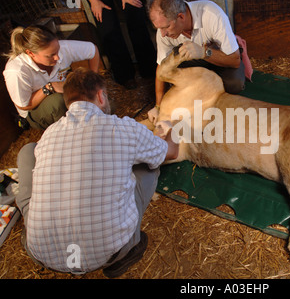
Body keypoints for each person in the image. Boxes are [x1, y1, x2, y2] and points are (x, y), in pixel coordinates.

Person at [15, 67, 178, 277]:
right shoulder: (124, 129)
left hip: (42, 253)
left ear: (68, 103)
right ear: (101, 95)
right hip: (108, 252)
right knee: (149, 165)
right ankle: (128, 249)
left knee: (29, 151)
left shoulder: (49, 134)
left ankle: (35, 231)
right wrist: (170, 126)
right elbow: (171, 152)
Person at [146, 0, 246, 124]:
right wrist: (158, 106)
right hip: (194, 62)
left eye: (167, 27)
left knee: (235, 84)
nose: (163, 34)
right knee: (181, 85)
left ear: (181, 17)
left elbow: (235, 60)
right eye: (159, 28)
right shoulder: (163, 32)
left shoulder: (212, 14)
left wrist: (205, 52)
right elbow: (161, 66)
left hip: (218, 57)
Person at [3, 24, 100, 130]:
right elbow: (24, 105)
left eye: (57, 50)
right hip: (35, 110)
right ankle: (71, 131)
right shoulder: (17, 71)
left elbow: (93, 50)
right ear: (30, 53)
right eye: (50, 55)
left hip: (65, 94)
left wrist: (92, 79)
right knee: (57, 102)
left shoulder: (58, 48)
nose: (57, 57)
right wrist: (49, 87)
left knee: (103, 101)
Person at [67, 0, 157, 89]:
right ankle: (124, 76)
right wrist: (93, 0)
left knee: (134, 16)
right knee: (107, 26)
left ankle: (150, 69)